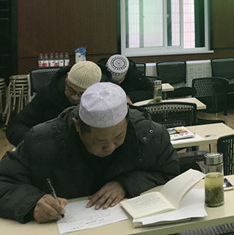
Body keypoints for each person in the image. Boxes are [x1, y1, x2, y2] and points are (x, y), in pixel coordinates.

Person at [0, 82, 179, 223]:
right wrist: (31, 203)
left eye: (118, 137)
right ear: (78, 126)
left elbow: (170, 174)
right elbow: (4, 181)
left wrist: (126, 184)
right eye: (100, 142)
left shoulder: (148, 134)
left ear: (127, 122)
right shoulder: (42, 141)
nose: (110, 147)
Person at [6, 61, 102, 147]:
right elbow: (16, 126)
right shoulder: (49, 94)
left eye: (82, 94)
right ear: (66, 79)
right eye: (71, 90)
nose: (75, 97)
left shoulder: (104, 102)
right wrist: (38, 145)